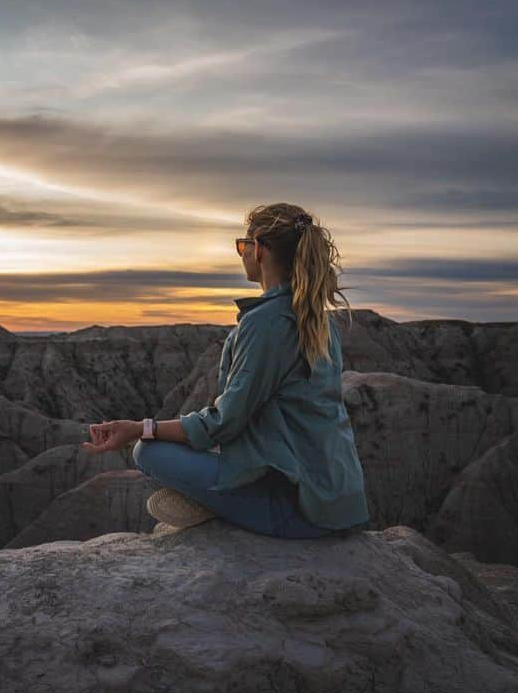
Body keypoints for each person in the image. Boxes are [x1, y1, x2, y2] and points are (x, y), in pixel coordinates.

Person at [83, 203, 371, 539]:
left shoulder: (266, 323)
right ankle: (221, 499)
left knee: (148, 450)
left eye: (242, 245)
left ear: (259, 249)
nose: (241, 253)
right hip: (335, 501)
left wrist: (138, 428)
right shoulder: (318, 321)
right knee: (186, 448)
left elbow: (223, 422)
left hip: (297, 510)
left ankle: (219, 504)